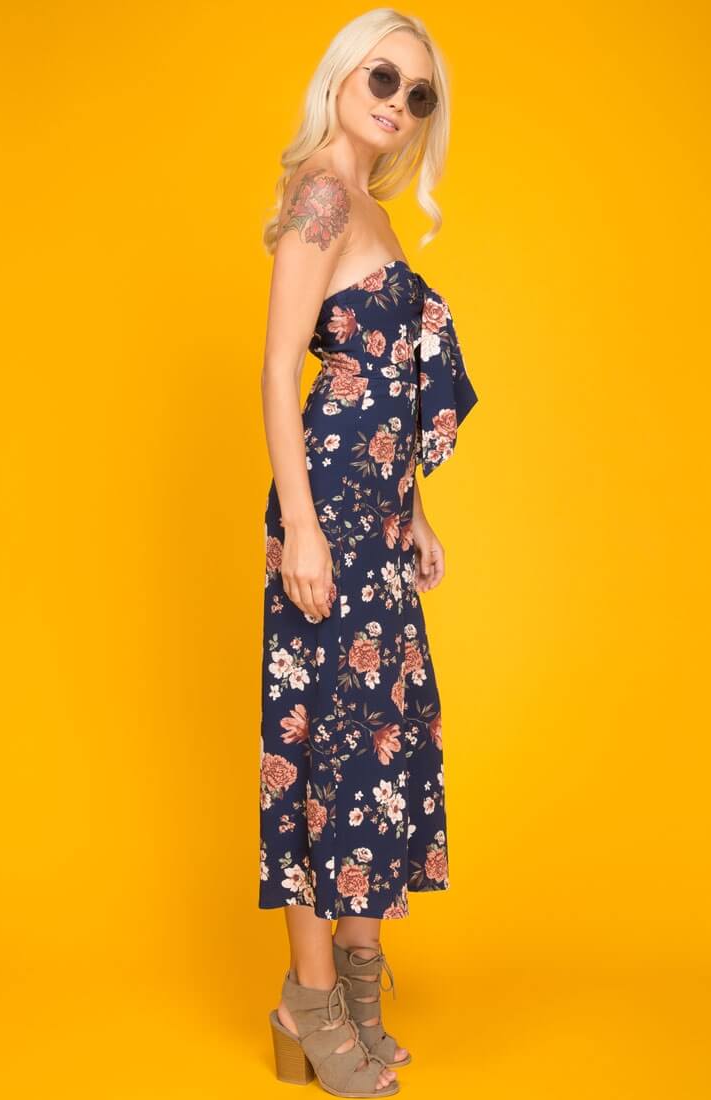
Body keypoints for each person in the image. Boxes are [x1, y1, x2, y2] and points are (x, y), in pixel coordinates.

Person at [258, 10, 478, 1097]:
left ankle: (352, 990)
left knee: (371, 756)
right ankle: (306, 1001)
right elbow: (277, 371)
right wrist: (301, 524)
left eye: (418, 93)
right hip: (328, 516)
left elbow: (382, 387)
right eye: (383, 77)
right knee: (321, 758)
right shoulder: (321, 194)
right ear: (343, 75)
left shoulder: (374, 209)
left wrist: (416, 513)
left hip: (380, 522)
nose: (398, 101)